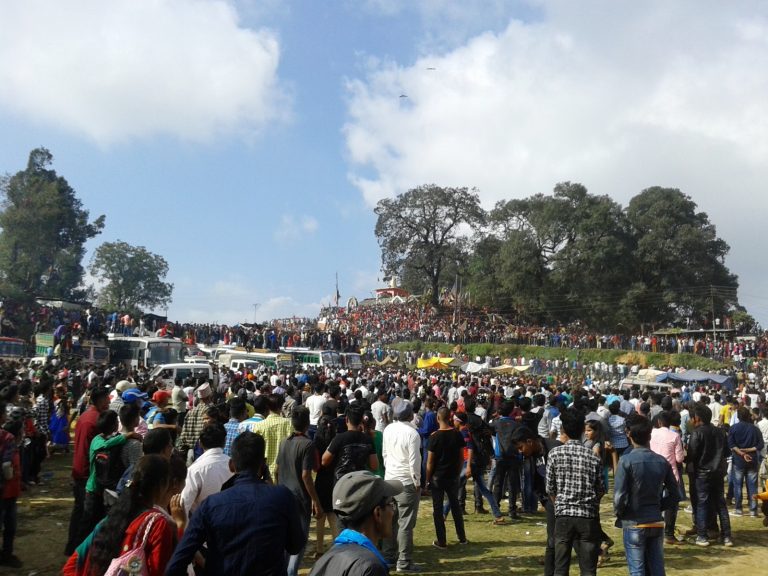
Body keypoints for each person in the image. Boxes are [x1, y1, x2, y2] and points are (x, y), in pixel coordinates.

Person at [165, 431, 305, 576]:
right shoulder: (283, 497)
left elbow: (177, 562)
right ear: (263, 464)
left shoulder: (210, 505)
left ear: (231, 465)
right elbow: (295, 546)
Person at [62, 454, 182, 576]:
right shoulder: (157, 525)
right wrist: (181, 525)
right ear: (162, 485)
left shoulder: (113, 518)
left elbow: (72, 565)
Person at [615, 416, 680, 576]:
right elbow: (675, 494)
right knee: (657, 568)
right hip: (655, 520)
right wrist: (658, 506)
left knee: (637, 570)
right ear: (650, 435)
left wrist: (620, 512)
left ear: (628, 434)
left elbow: (619, 496)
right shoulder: (662, 461)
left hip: (634, 521)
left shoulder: (625, 461)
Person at [545, 408, 604, 576]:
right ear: (582, 431)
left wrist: (560, 504)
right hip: (587, 516)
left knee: (560, 568)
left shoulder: (554, 454)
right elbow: (600, 489)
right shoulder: (593, 457)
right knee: (588, 569)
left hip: (563, 516)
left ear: (563, 430)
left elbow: (550, 488)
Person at [309, 471, 402, 576]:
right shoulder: (371, 568)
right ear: (378, 513)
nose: (393, 512)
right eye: (391, 504)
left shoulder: (324, 560)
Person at [276, 406, 321, 576]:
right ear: (307, 423)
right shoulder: (308, 444)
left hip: (283, 497)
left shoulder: (284, 442)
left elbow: (276, 470)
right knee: (299, 541)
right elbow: (306, 476)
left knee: (285, 539)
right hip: (300, 500)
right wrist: (315, 500)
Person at [65, 387, 110, 556]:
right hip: (86, 472)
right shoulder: (95, 419)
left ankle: (72, 547)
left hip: (80, 470)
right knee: (87, 516)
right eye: (106, 399)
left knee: (79, 512)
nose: (109, 402)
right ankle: (78, 552)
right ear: (100, 400)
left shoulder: (86, 416)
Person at [512, 425, 561, 576]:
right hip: (551, 501)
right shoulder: (530, 456)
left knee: (575, 538)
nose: (520, 451)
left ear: (529, 441)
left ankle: (596, 552)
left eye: (521, 447)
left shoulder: (555, 448)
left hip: (566, 501)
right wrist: (545, 501)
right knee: (552, 541)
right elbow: (536, 482)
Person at [381, 402, 421, 573]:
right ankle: (404, 561)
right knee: (405, 524)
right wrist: (417, 482)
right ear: (410, 415)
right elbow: (414, 462)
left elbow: (385, 454)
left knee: (390, 519)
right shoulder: (412, 433)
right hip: (406, 482)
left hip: (390, 479)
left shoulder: (388, 429)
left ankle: (389, 556)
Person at [688, 403, 732, 546]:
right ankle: (727, 536)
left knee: (702, 504)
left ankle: (702, 536)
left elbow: (692, 454)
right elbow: (726, 452)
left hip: (702, 473)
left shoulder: (697, 433)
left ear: (697, 418)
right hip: (718, 472)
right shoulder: (720, 432)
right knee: (721, 504)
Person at [426, 406, 467, 548]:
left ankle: (441, 540)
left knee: (438, 510)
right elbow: (461, 457)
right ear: (450, 417)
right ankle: (462, 537)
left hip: (437, 477)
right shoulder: (457, 434)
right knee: (455, 506)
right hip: (452, 476)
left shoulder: (434, 437)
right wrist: (458, 472)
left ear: (438, 418)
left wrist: (427, 479)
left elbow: (430, 461)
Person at [180, 422, 233, 519]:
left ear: (200, 443)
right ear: (225, 441)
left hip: (204, 522)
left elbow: (184, 504)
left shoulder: (195, 469)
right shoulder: (234, 465)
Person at [649, 410, 685, 544]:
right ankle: (669, 534)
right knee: (672, 504)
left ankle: (653, 531)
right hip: (670, 473)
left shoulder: (652, 433)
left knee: (654, 502)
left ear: (659, 422)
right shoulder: (675, 436)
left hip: (653, 471)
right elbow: (680, 458)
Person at [727, 405, 764, 516]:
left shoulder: (733, 428)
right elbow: (760, 445)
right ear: (748, 416)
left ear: (738, 417)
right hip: (752, 459)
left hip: (738, 460)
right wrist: (749, 450)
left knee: (738, 485)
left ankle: (739, 509)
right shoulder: (755, 429)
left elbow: (731, 444)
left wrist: (742, 452)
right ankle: (753, 510)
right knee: (753, 486)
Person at [247, 394, 294, 478]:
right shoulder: (290, 424)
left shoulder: (258, 426)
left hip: (265, 473)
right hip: (285, 471)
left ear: (267, 407)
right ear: (281, 406)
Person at [490, 400, 522, 519]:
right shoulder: (516, 425)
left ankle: (496, 508)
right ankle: (512, 509)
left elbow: (489, 430)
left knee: (498, 482)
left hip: (500, 456)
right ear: (511, 411)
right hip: (513, 456)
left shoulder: (496, 423)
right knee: (512, 483)